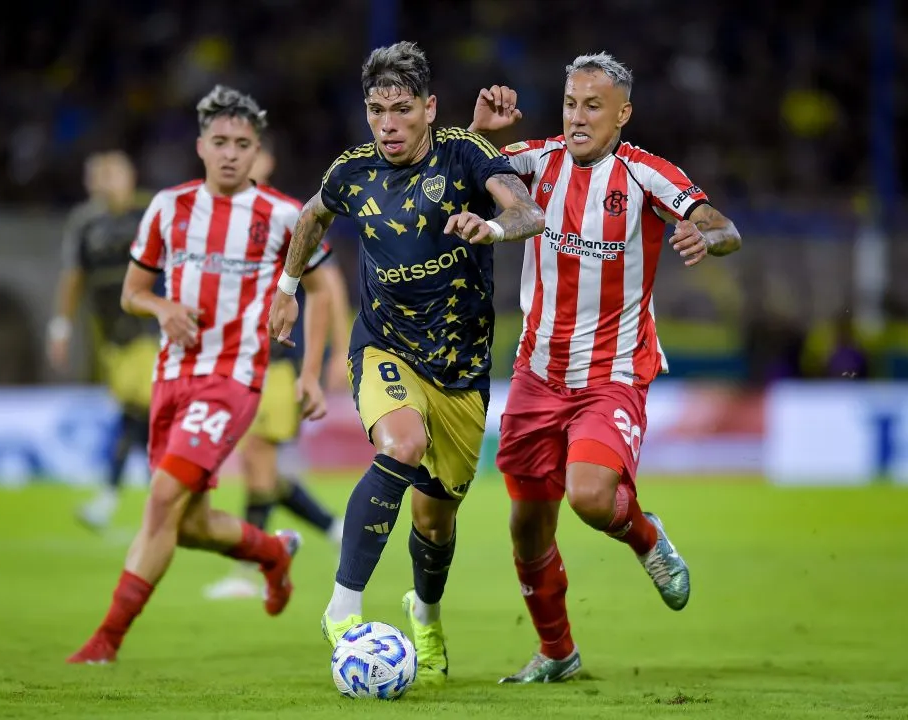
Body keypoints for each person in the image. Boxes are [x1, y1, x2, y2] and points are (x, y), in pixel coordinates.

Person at [267, 41, 545, 685]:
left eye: (400, 109)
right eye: (375, 110)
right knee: (402, 442)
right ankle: (342, 606)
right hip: (384, 346)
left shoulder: (467, 154)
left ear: (429, 108)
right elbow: (311, 217)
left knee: (435, 520)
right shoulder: (353, 171)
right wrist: (286, 290)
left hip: (462, 369)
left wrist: (494, 228)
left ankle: (425, 613)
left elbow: (527, 210)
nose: (387, 124)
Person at [466, 52, 742, 683]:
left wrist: (709, 238)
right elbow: (459, 170)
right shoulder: (533, 161)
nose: (578, 117)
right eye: (570, 103)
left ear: (623, 114)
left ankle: (646, 537)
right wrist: (480, 134)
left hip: (612, 372)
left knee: (591, 497)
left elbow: (720, 224)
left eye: (593, 106)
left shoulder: (646, 175)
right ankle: (558, 653)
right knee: (527, 526)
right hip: (537, 371)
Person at [67, 84, 334, 664]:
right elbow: (134, 294)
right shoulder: (168, 207)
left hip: (233, 380)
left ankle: (104, 642)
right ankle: (272, 553)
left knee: (161, 498)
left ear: (257, 149)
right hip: (172, 379)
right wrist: (163, 308)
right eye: (220, 142)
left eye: (242, 143)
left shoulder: (285, 215)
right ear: (201, 147)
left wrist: (313, 371)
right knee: (186, 524)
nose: (231, 153)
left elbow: (324, 287)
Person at [203, 141, 352, 600]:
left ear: (265, 161)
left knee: (256, 460)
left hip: (275, 363)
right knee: (260, 467)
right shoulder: (220, 222)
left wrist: (339, 349)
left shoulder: (286, 219)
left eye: (251, 151)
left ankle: (253, 566)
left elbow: (328, 281)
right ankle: (334, 527)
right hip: (235, 363)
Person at [47, 150, 158, 530]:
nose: (102, 181)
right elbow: (73, 276)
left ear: (129, 176)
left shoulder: (151, 213)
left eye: (110, 173)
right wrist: (60, 328)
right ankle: (163, 496)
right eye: (95, 175)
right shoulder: (84, 223)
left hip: (151, 329)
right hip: (110, 335)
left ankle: (112, 498)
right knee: (138, 413)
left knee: (138, 409)